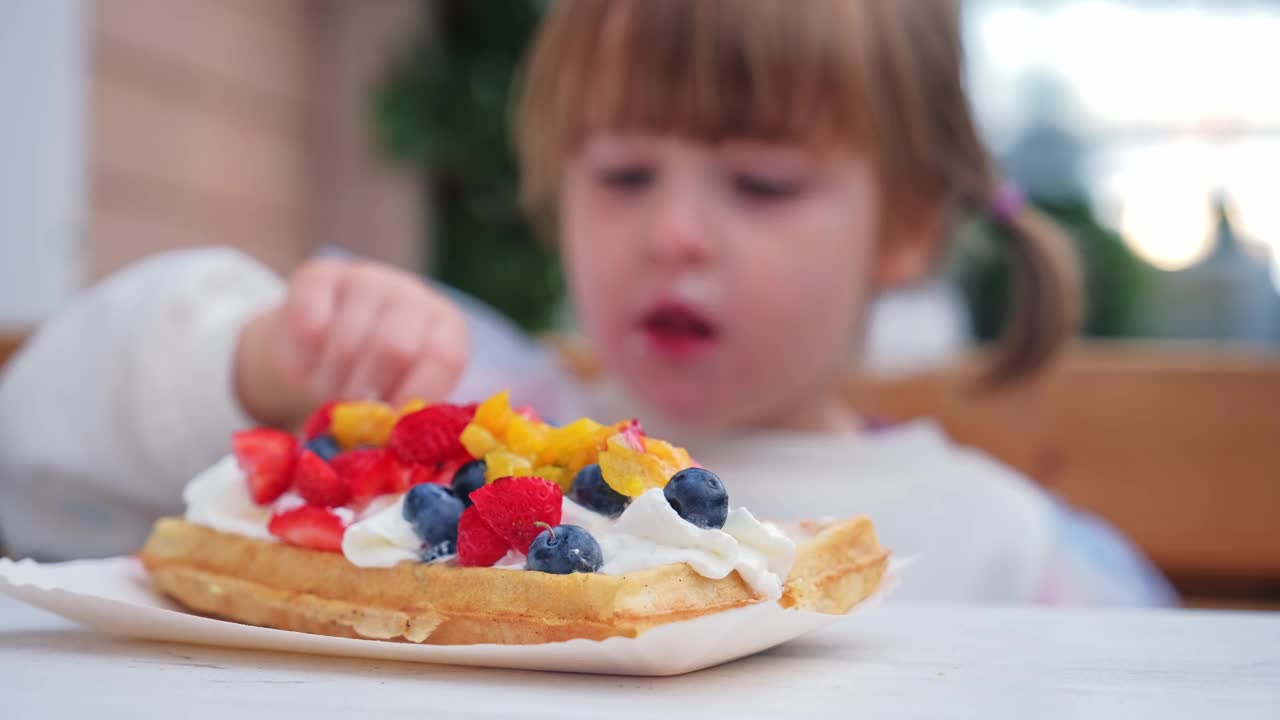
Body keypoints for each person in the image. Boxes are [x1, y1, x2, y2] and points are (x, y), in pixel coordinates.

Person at [0, 0, 1173, 605]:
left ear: (908, 224)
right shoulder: (464, 436)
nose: (670, 231)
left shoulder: (999, 548)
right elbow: (33, 475)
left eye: (758, 183)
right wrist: (254, 363)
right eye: (620, 175)